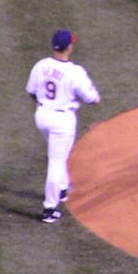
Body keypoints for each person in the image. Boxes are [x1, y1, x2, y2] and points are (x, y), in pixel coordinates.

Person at [25, 30, 101, 223]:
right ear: (69, 47)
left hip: (42, 116)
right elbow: (91, 98)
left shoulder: (41, 65)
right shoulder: (75, 72)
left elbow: (31, 91)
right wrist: (95, 98)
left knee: (59, 155)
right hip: (62, 121)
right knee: (56, 162)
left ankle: (63, 188)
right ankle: (50, 208)